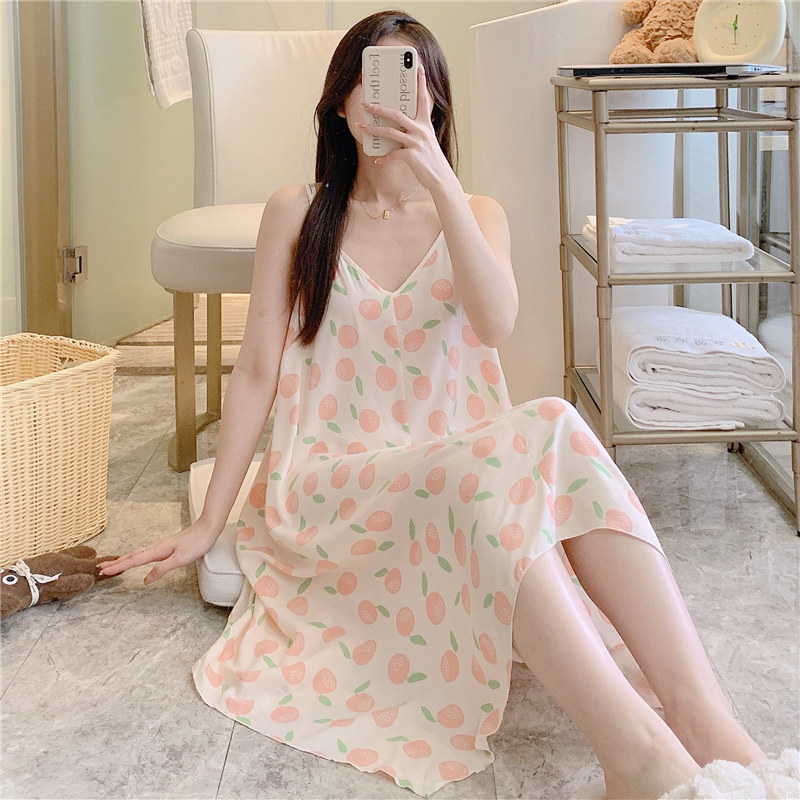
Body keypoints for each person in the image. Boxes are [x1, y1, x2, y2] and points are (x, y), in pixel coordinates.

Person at [101, 11, 788, 799]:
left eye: (410, 82)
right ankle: (637, 757)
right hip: (334, 487)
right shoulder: (299, 211)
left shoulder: (476, 212)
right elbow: (256, 371)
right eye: (370, 80)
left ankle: (708, 724)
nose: (387, 101)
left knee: (552, 425)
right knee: (525, 442)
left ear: (433, 103)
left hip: (456, 475)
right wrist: (209, 523)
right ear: (340, 103)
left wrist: (441, 183)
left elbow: (496, 323)